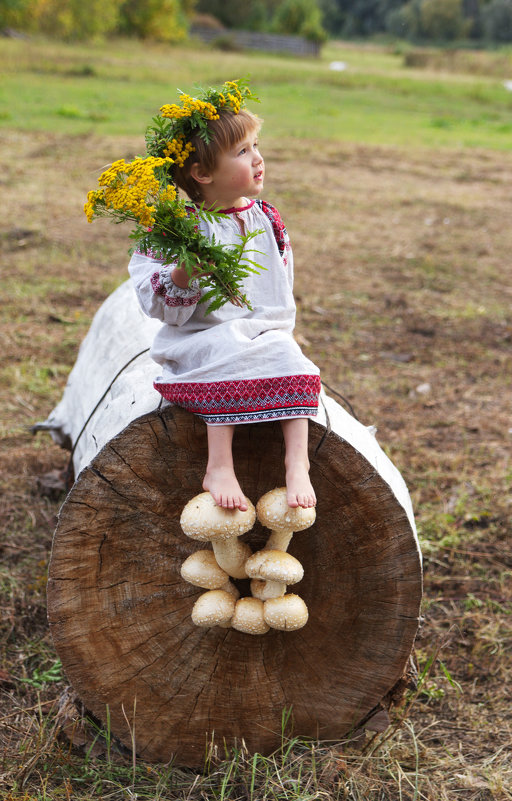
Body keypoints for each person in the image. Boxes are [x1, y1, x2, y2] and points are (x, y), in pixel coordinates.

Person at [128, 80, 321, 512]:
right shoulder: (180, 229)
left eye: (256, 146)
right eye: (242, 152)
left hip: (260, 332)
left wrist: (273, 329)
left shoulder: (266, 219)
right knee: (226, 349)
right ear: (202, 173)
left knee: (291, 358)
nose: (258, 159)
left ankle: (298, 463)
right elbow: (152, 297)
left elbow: (278, 286)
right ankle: (219, 464)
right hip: (199, 337)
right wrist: (182, 274)